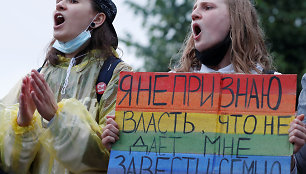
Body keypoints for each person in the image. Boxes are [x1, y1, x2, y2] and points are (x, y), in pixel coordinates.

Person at [103, 0, 306, 173]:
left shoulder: (271, 88)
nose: (194, 14)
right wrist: (120, 143)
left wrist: (287, 158)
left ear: (237, 21)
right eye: (194, 8)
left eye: (208, 7)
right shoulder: (168, 88)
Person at [0, 0, 131, 173]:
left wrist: (56, 118)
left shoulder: (116, 75)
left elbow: (108, 161)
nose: (59, 5)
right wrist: (23, 125)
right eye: (58, 1)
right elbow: (10, 166)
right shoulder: (35, 79)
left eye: (73, 1)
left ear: (97, 19)